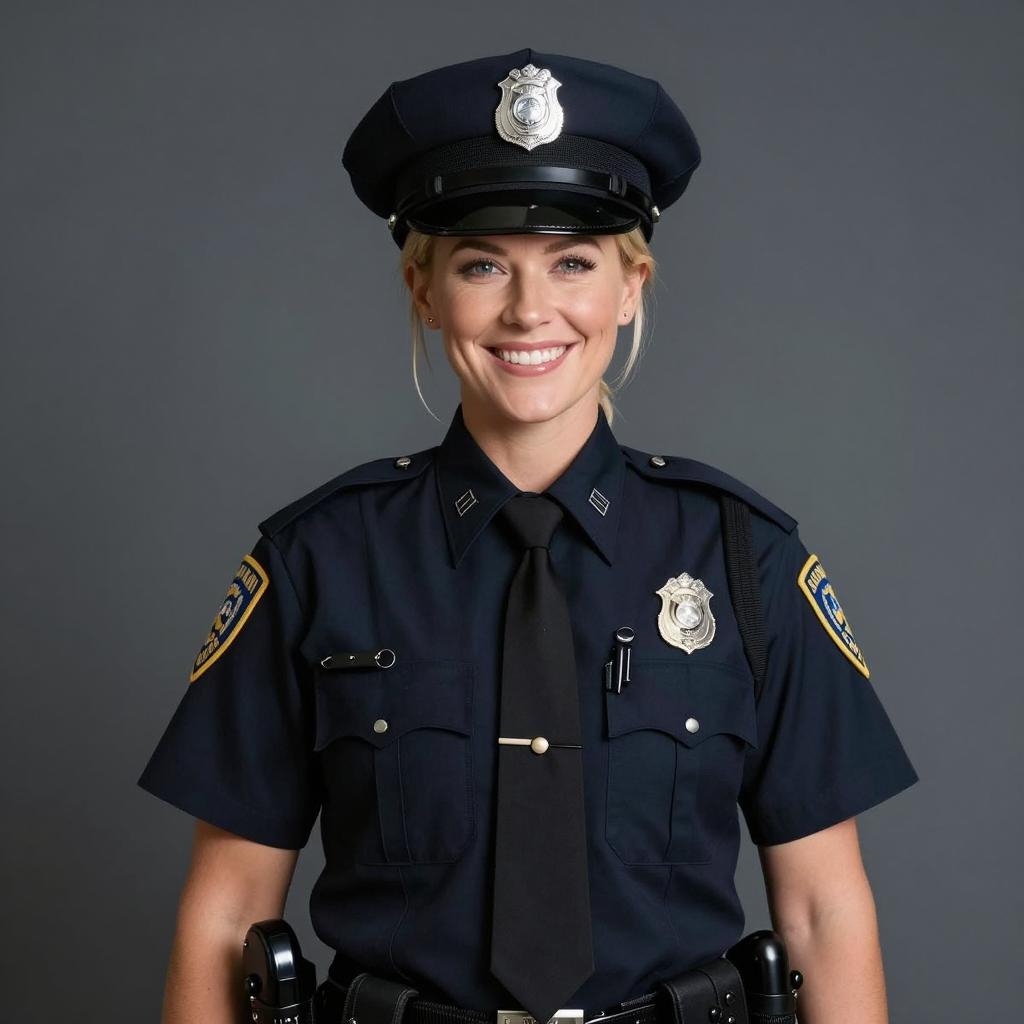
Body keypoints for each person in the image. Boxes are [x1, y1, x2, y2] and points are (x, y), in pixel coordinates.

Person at [137, 47, 919, 1024]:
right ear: (423, 291)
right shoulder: (319, 560)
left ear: (630, 287)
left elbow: (821, 914)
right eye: (481, 265)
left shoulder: (745, 559)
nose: (528, 311)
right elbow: (225, 917)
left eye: (573, 263)